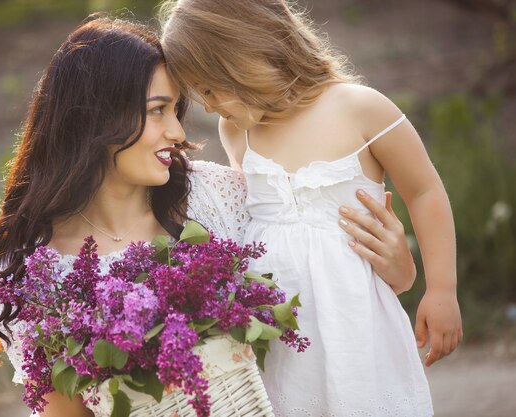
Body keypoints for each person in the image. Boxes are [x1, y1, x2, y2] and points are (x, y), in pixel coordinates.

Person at [0, 14, 418, 416]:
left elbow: (317, 274)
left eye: (176, 110)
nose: (179, 132)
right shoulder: (35, 275)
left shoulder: (214, 197)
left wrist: (396, 270)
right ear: (96, 120)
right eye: (158, 111)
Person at [160, 1, 463, 416]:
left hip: (354, 321)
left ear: (247, 56)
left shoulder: (360, 108)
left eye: (210, 89)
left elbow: (425, 191)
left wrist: (442, 288)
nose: (208, 106)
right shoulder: (236, 131)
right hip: (281, 334)